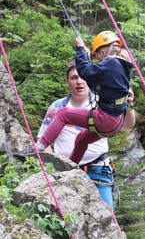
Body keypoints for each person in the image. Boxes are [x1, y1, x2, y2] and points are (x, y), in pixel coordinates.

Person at [15, 31, 134, 165]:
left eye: (98, 58)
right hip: (115, 122)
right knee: (81, 139)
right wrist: (86, 57)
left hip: (105, 119)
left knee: (63, 115)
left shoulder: (112, 62)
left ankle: (38, 148)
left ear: (104, 53)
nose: (99, 62)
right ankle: (71, 168)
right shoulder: (121, 67)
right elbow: (93, 79)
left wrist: (80, 49)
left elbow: (84, 72)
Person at [33, 60, 136, 209]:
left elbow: (127, 126)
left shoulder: (105, 102)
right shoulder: (56, 107)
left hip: (98, 170)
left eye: (82, 77)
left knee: (107, 218)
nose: (79, 82)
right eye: (74, 78)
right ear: (67, 82)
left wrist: (129, 105)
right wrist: (54, 166)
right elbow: (44, 141)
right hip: (65, 171)